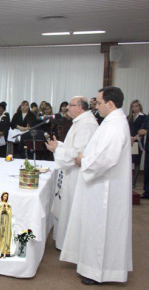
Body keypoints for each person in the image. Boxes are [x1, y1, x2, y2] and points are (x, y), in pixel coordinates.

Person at [62, 86, 132, 285]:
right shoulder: (111, 121)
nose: (96, 107)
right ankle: (95, 267)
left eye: (99, 103)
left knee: (100, 229)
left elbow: (105, 158)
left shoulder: (115, 125)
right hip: (103, 183)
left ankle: (96, 271)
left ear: (110, 103)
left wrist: (83, 160)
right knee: (97, 228)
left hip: (106, 188)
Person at [45, 96, 98, 251]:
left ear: (80, 107)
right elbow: (72, 146)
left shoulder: (87, 125)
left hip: (76, 175)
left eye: (70, 105)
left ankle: (71, 246)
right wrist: (60, 146)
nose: (67, 107)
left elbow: (78, 153)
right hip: (70, 173)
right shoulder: (80, 122)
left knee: (71, 208)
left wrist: (58, 150)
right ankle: (63, 241)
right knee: (66, 206)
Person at [127, 100, 145, 188]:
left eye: (136, 106)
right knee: (129, 160)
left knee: (137, 162)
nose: (134, 108)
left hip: (138, 141)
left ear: (140, 107)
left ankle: (134, 182)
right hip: (129, 141)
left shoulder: (144, 117)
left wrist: (135, 137)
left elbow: (143, 129)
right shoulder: (129, 117)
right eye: (133, 106)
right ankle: (128, 181)